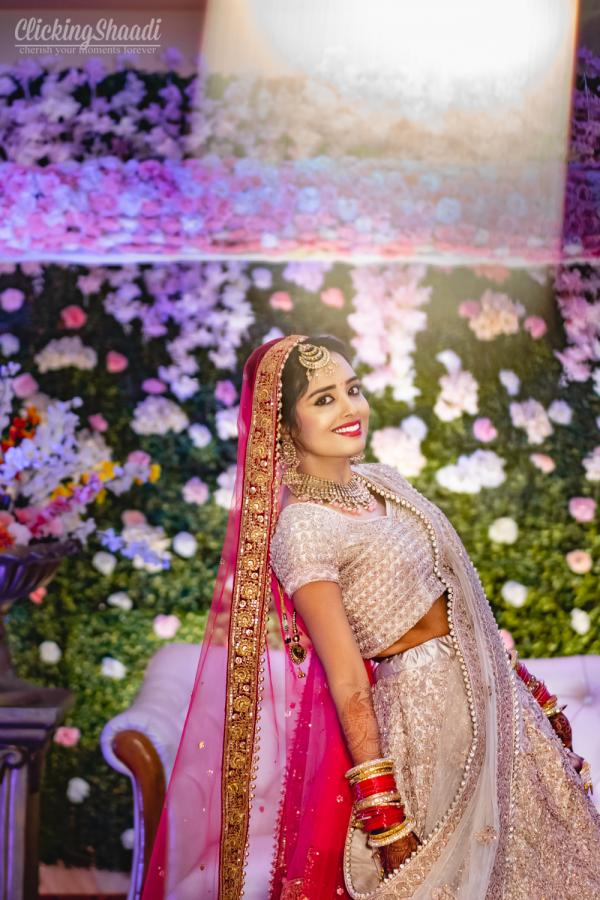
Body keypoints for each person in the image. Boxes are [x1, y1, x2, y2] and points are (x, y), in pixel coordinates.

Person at [142, 333, 600, 900]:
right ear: (285, 426)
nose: (350, 408)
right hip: (427, 720)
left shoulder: (385, 482)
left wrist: (528, 690)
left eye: (352, 389)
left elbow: (462, 608)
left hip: (497, 703)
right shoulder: (302, 528)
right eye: (324, 398)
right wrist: (384, 814)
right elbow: (349, 682)